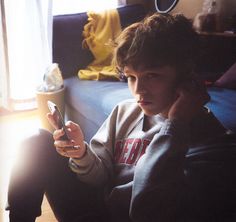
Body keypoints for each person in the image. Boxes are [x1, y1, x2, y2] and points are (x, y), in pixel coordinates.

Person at [7, 13, 235, 222]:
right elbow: (99, 177)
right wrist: (82, 154)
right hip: (97, 210)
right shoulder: (125, 112)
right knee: (35, 140)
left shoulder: (213, 142)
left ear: (186, 75)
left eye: (152, 76)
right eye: (131, 77)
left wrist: (175, 127)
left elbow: (147, 210)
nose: (139, 91)